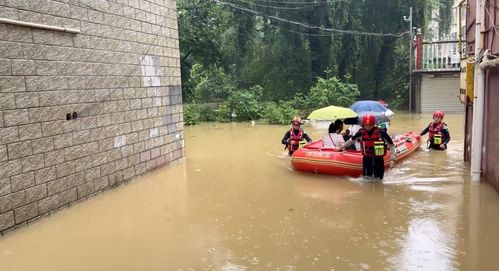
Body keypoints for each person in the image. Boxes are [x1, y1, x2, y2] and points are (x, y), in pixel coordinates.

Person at [336, 114, 396, 180]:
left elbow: (391, 145)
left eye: (370, 125)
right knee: (367, 179)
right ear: (363, 124)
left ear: (373, 124)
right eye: (366, 125)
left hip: (378, 160)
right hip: (367, 159)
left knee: (379, 180)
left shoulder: (381, 133)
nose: (367, 127)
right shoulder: (361, 133)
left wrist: (392, 159)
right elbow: (351, 141)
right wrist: (341, 147)